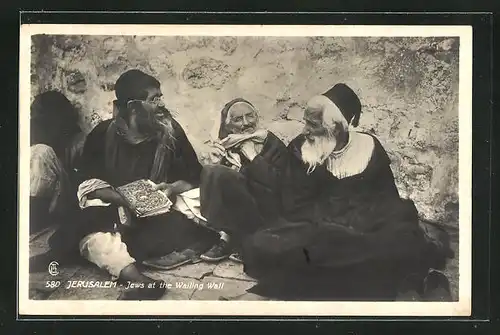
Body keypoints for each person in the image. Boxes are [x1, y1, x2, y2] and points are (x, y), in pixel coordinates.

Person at [241, 84, 453, 301]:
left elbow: (387, 201)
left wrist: (357, 223)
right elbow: (290, 200)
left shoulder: (369, 147)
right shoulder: (301, 147)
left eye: (314, 125)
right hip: (315, 226)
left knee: (399, 239)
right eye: (306, 122)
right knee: (262, 243)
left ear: (345, 124)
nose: (306, 130)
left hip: (364, 226)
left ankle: (408, 279)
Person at [73, 69, 218, 300]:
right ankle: (138, 279)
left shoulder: (171, 129)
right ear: (133, 107)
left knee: (202, 197)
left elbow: (194, 175)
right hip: (118, 213)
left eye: (160, 97)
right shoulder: (102, 134)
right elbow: (87, 184)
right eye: (154, 100)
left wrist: (171, 189)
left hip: (163, 212)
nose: (161, 105)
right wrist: (126, 199)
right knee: (90, 231)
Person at [199, 98, 289, 263]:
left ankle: (239, 240)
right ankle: (226, 237)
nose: (246, 123)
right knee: (212, 171)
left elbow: (278, 184)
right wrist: (217, 162)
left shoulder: (271, 143)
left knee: (220, 174)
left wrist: (254, 158)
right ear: (228, 126)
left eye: (250, 116)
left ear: (257, 118)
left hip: (268, 209)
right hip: (240, 207)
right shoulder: (225, 147)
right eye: (238, 119)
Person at [30, 91, 86, 235]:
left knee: (41, 153)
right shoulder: (36, 135)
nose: (36, 120)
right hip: (42, 199)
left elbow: (82, 182)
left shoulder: (77, 141)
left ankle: (33, 218)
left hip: (66, 200)